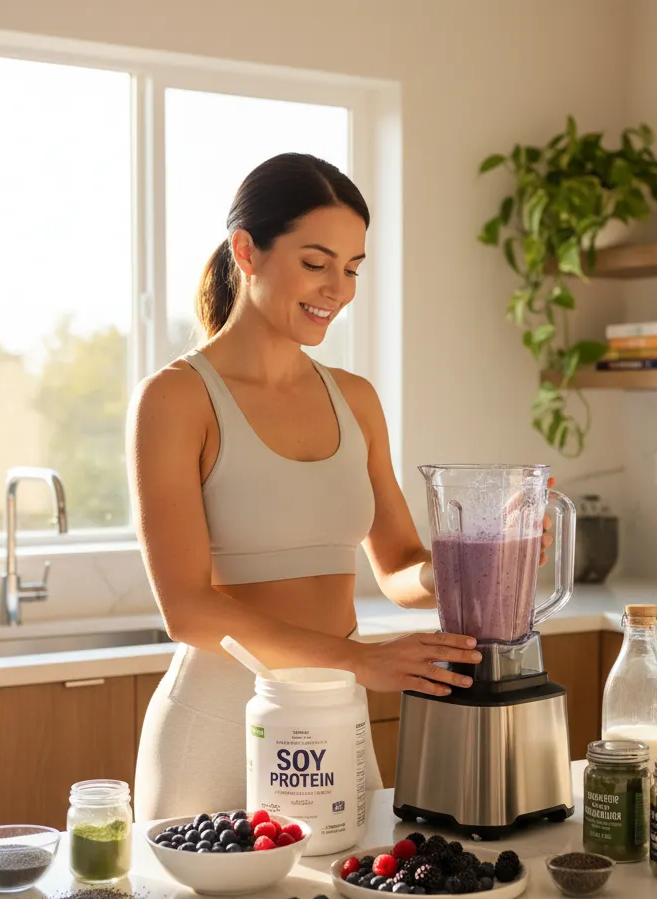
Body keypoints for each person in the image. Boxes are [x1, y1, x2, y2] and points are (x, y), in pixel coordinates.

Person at [128, 153, 552, 820]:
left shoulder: (354, 399)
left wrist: (475, 566)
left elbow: (401, 569)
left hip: (336, 718)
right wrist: (362, 661)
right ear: (248, 250)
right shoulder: (177, 399)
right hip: (219, 721)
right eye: (316, 262)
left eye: (352, 268)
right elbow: (189, 610)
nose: (338, 288)